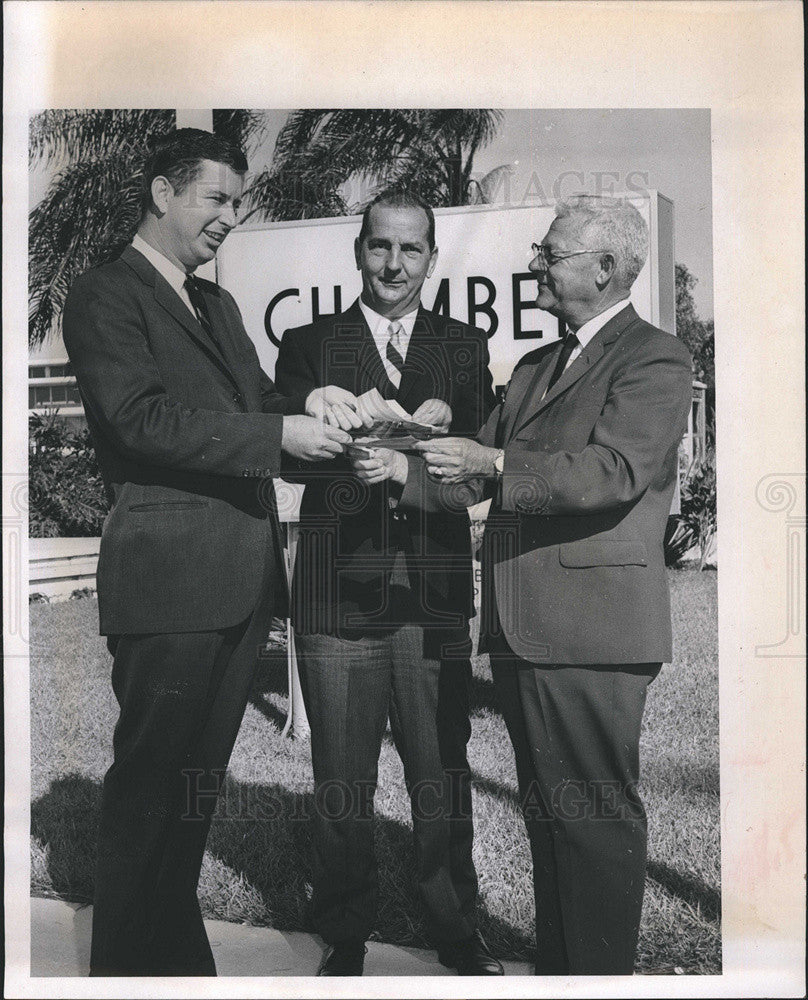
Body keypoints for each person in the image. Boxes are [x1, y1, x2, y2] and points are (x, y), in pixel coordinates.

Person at [62, 128, 354, 976]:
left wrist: (316, 402)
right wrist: (278, 429)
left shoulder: (216, 305)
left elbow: (258, 403)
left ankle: (176, 971)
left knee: (190, 804)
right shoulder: (104, 294)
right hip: (169, 585)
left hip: (238, 583)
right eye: (216, 199)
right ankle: (126, 973)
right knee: (151, 798)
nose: (232, 217)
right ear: (162, 194)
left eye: (238, 202)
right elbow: (141, 420)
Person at [411, 195, 693, 975]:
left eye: (551, 254)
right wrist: (394, 459)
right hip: (522, 627)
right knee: (550, 818)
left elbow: (611, 473)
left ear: (605, 269)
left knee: (593, 822)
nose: (535, 265)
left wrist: (490, 464)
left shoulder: (655, 358)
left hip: (594, 630)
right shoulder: (537, 366)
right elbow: (475, 475)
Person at [274, 189, 501, 976]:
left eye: (410, 249)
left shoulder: (465, 347)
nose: (394, 264)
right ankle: (343, 931)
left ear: (432, 258)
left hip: (433, 594)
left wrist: (444, 430)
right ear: (358, 251)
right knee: (341, 776)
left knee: (441, 773)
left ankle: (455, 927)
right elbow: (277, 445)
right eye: (379, 247)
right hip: (337, 593)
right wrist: (335, 435)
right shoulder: (308, 344)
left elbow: (485, 460)